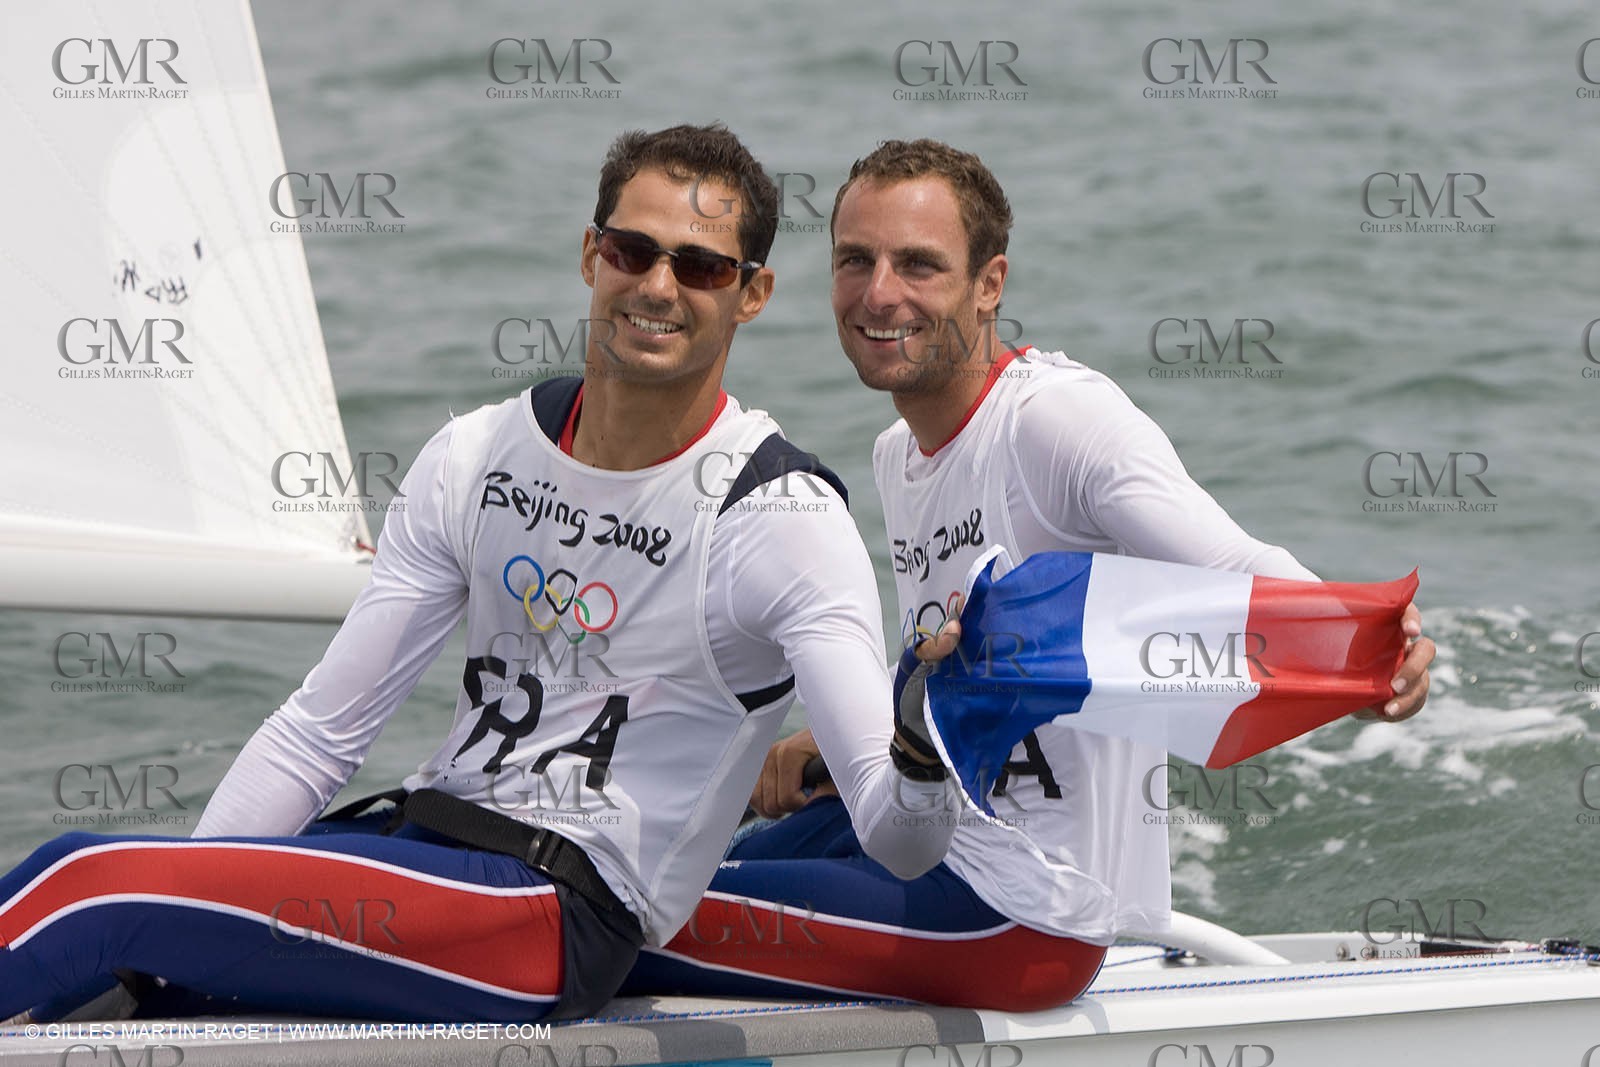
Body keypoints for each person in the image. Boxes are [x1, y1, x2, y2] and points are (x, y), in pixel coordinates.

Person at [0, 124, 956, 1024]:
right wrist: (182, 917)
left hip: (557, 910)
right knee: (112, 965)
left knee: (81, 885)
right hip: (424, 844)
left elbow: (898, 835)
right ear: (591, 256)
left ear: (750, 294)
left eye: (700, 266)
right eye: (632, 251)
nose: (659, 286)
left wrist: (920, 745)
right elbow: (320, 734)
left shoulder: (782, 514)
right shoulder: (476, 453)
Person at [624, 139, 1435, 1011]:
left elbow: (1233, 563)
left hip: (1017, 916)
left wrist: (1372, 644)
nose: (879, 292)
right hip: (936, 840)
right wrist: (823, 742)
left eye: (920, 265)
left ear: (990, 284)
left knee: (628, 920)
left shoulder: (1056, 422)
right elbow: (956, 678)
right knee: (651, 867)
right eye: (855, 260)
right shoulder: (899, 454)